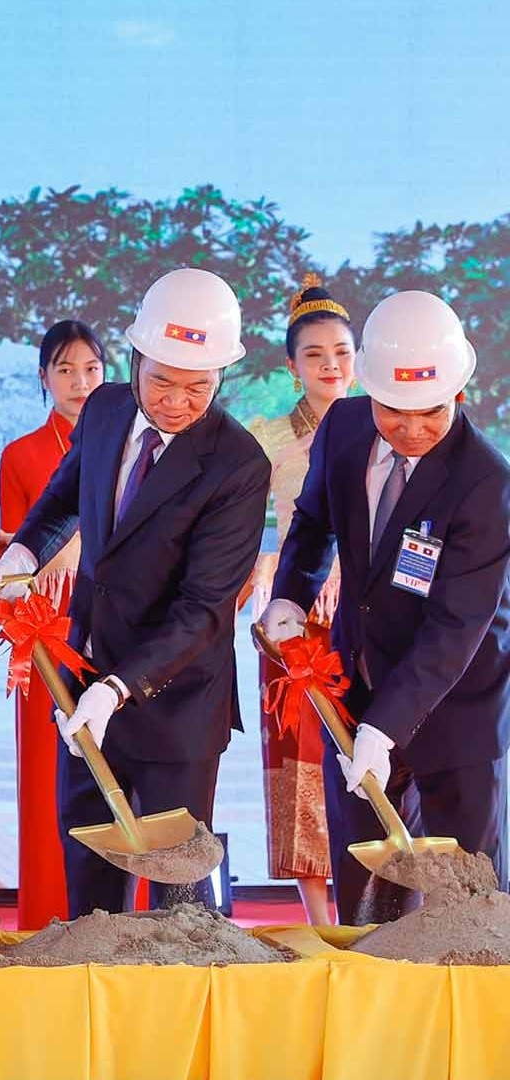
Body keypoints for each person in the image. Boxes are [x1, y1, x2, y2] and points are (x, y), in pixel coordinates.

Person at [0, 267, 270, 917]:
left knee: (177, 896)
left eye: (197, 387)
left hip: (176, 704)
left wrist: (118, 689)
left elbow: (202, 609)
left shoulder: (238, 464)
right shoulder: (108, 407)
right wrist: (24, 553)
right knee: (90, 882)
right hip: (86, 678)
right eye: (162, 380)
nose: (176, 401)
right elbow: (65, 495)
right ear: (136, 357)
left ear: (221, 377)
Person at [262, 290, 510, 920]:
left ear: (458, 393)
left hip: (458, 705)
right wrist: (290, 594)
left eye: (429, 413)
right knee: (368, 881)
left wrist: (385, 726)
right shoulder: (344, 428)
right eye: (393, 411)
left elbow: (454, 628)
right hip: (358, 683)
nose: (410, 429)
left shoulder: (486, 482)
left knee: (466, 900)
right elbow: (314, 520)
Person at [245, 275, 355, 926]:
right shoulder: (266, 438)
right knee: (297, 757)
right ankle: (318, 915)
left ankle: (373, 899)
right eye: (314, 355)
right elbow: (255, 527)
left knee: (357, 749)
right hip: (291, 620)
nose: (331, 365)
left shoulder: (383, 427)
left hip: (360, 619)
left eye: (341, 351)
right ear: (292, 366)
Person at [0, 319, 105, 930]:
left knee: (111, 768)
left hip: (111, 633)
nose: (79, 381)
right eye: (65, 369)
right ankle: (44, 916)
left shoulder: (127, 444)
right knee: (46, 778)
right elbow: (16, 551)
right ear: (44, 378)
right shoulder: (21, 455)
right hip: (43, 636)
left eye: (91, 368)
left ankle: (117, 920)